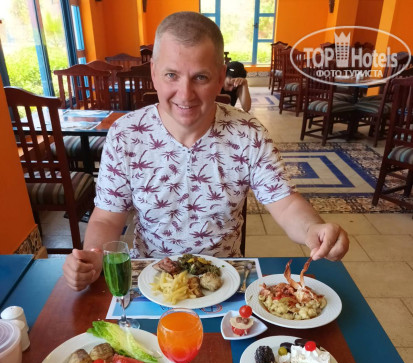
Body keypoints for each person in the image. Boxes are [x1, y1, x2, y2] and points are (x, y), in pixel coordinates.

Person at [63, 11, 349, 292]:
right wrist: (93, 257)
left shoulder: (248, 133)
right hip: (151, 283)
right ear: (154, 73)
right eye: (171, 75)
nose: (185, 94)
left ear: (221, 77)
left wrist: (312, 229)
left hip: (225, 283)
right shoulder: (125, 135)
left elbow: (285, 204)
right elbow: (106, 217)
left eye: (200, 77)